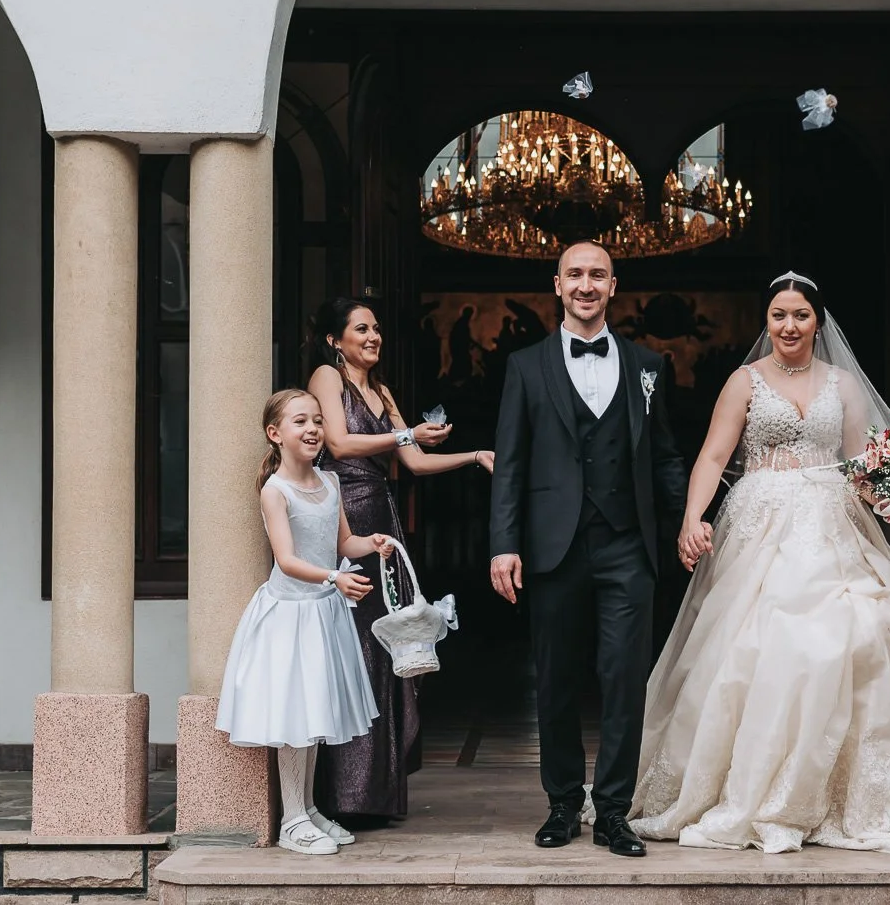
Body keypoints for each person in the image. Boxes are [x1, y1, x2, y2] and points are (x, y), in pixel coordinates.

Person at [631, 271, 890, 854]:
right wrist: (692, 518)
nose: (788, 325)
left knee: (886, 631)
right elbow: (713, 454)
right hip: (762, 521)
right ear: (767, 321)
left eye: (800, 315)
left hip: (833, 522)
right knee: (762, 647)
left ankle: (848, 790)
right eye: (778, 314)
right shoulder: (744, 381)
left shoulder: (843, 384)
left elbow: (859, 464)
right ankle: (753, 786)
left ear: (818, 322)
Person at [489, 241, 686, 857]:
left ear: (612, 284)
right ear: (557, 284)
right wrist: (504, 544)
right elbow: (510, 466)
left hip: (629, 546)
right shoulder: (525, 366)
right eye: (575, 274)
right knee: (556, 680)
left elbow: (664, 457)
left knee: (625, 680)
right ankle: (562, 804)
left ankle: (614, 812)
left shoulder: (650, 365)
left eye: (596, 275)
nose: (585, 284)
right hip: (553, 548)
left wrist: (691, 521)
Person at [305, 298, 493, 822]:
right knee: (356, 643)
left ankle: (378, 792)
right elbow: (339, 445)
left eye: (376, 328)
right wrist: (406, 434)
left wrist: (475, 456)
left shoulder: (382, 391)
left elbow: (412, 460)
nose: (372, 336)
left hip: (383, 514)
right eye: (361, 329)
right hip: (346, 512)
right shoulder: (328, 376)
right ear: (334, 340)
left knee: (393, 639)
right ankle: (344, 794)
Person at [215, 389, 392, 856]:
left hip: (322, 611)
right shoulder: (276, 490)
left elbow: (344, 542)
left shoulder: (330, 483)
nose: (313, 429)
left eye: (317, 420)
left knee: (313, 714)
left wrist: (371, 544)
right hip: (290, 615)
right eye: (300, 422)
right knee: (294, 716)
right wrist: (335, 577)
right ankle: (291, 818)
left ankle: (308, 809)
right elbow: (288, 560)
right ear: (276, 434)